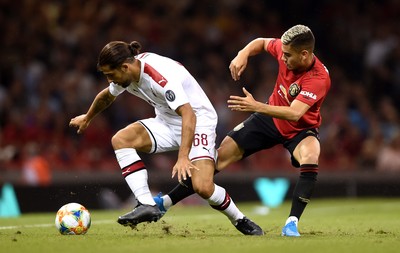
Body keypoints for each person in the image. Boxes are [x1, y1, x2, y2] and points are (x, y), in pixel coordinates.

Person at [69, 40, 263, 235]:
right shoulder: (127, 73)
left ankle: (240, 220)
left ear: (125, 67)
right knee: (121, 139)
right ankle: (146, 203)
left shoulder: (158, 76)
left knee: (203, 187)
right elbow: (107, 96)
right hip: (167, 121)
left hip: (198, 122)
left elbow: (189, 114)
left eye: (111, 75)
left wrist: (183, 156)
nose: (110, 81)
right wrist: (87, 118)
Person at [154, 24, 331, 237]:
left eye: (288, 56)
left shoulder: (318, 78)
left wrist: (256, 106)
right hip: (269, 119)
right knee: (216, 159)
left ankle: (291, 223)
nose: (283, 59)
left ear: (304, 54)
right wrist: (242, 54)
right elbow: (262, 42)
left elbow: (295, 113)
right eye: (282, 54)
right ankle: (164, 203)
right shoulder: (285, 49)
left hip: (300, 129)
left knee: (311, 155)